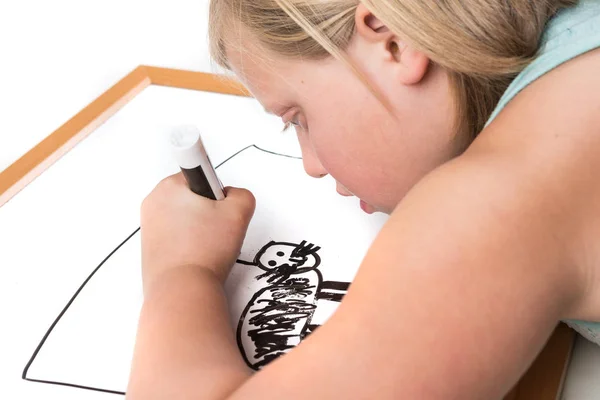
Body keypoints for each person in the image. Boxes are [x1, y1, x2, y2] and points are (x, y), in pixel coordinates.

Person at [126, 0, 600, 398]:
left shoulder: (505, 200)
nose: (310, 163)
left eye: (298, 118)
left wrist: (179, 271)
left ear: (394, 42)